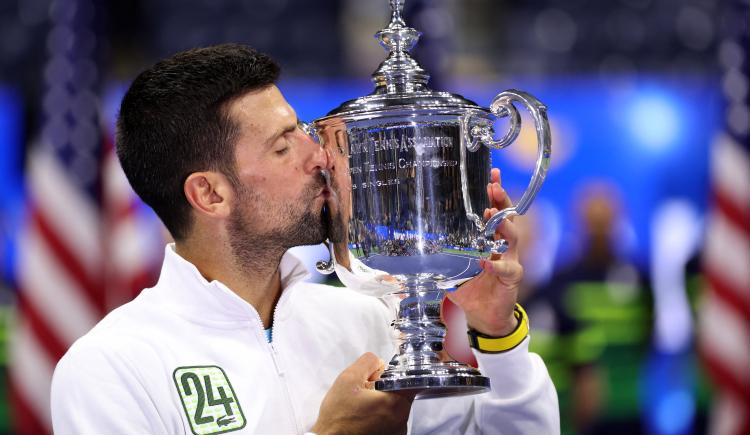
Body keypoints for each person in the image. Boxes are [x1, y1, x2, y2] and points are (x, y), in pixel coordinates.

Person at [50, 44, 559, 434]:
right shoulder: (111, 366)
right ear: (209, 194)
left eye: (303, 130)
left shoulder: (368, 318)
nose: (318, 157)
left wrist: (497, 335)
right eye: (281, 145)